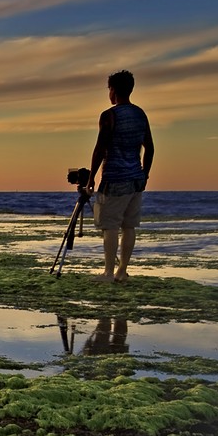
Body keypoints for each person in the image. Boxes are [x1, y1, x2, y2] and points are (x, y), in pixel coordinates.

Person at [86, 70, 154, 282]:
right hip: (135, 179)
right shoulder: (140, 114)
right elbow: (150, 148)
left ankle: (108, 271)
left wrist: (91, 179)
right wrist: (145, 175)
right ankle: (122, 271)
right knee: (129, 226)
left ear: (113, 90)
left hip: (115, 178)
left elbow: (100, 149)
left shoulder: (110, 115)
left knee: (110, 226)